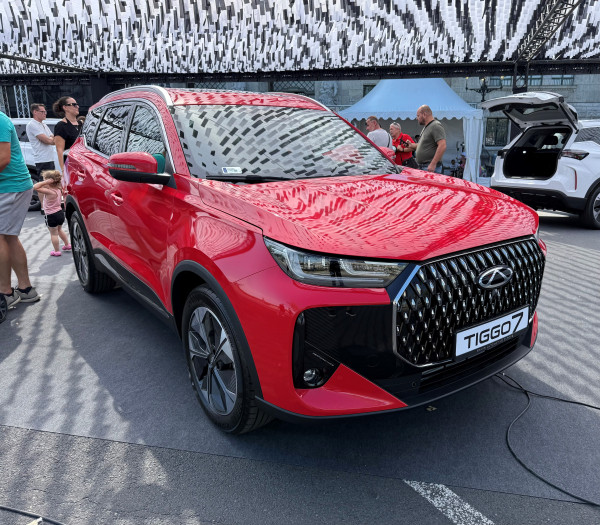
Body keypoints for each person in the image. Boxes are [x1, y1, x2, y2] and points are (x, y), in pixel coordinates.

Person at [0, 112, 40, 308]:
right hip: (13, 185)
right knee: (9, 237)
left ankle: (5, 292)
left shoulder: (0, 120)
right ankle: (25, 289)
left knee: (2, 237)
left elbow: (3, 158)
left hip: (10, 186)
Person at [33, 170, 71, 256]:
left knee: (54, 234)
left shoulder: (49, 192)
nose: (43, 182)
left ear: (49, 182)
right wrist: (47, 182)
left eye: (45, 180)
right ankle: (67, 245)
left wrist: (45, 182)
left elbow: (35, 187)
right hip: (60, 213)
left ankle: (56, 251)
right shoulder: (58, 189)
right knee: (59, 230)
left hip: (51, 215)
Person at [26, 103, 55, 211]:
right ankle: (43, 207)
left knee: (50, 182)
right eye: (42, 111)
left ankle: (49, 205)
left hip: (49, 157)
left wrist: (51, 139)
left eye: (45, 111)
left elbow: (52, 137)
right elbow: (48, 140)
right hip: (42, 159)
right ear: (35, 112)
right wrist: (51, 140)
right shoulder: (32, 125)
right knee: (43, 183)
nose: (45, 113)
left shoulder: (43, 124)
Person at [413, 105, 447, 173]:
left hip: (429, 167)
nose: (417, 118)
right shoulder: (427, 127)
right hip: (424, 166)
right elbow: (424, 145)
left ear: (424, 114)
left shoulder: (435, 126)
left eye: (418, 116)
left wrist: (433, 163)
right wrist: (410, 145)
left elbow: (442, 145)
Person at [52, 96, 82, 173]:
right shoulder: (61, 126)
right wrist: (63, 170)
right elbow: (60, 150)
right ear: (65, 107)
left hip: (84, 164)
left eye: (77, 104)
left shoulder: (81, 124)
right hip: (72, 167)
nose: (77, 106)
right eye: (74, 104)